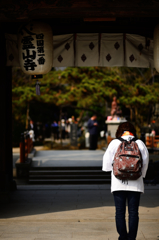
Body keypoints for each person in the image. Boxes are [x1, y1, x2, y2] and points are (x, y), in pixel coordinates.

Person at [102, 122, 149, 240]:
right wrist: (141, 175)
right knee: (133, 212)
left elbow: (106, 164)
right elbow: (146, 161)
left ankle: (122, 237)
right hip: (136, 182)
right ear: (133, 130)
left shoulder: (114, 143)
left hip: (118, 182)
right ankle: (132, 238)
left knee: (120, 211)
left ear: (119, 131)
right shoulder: (139, 143)